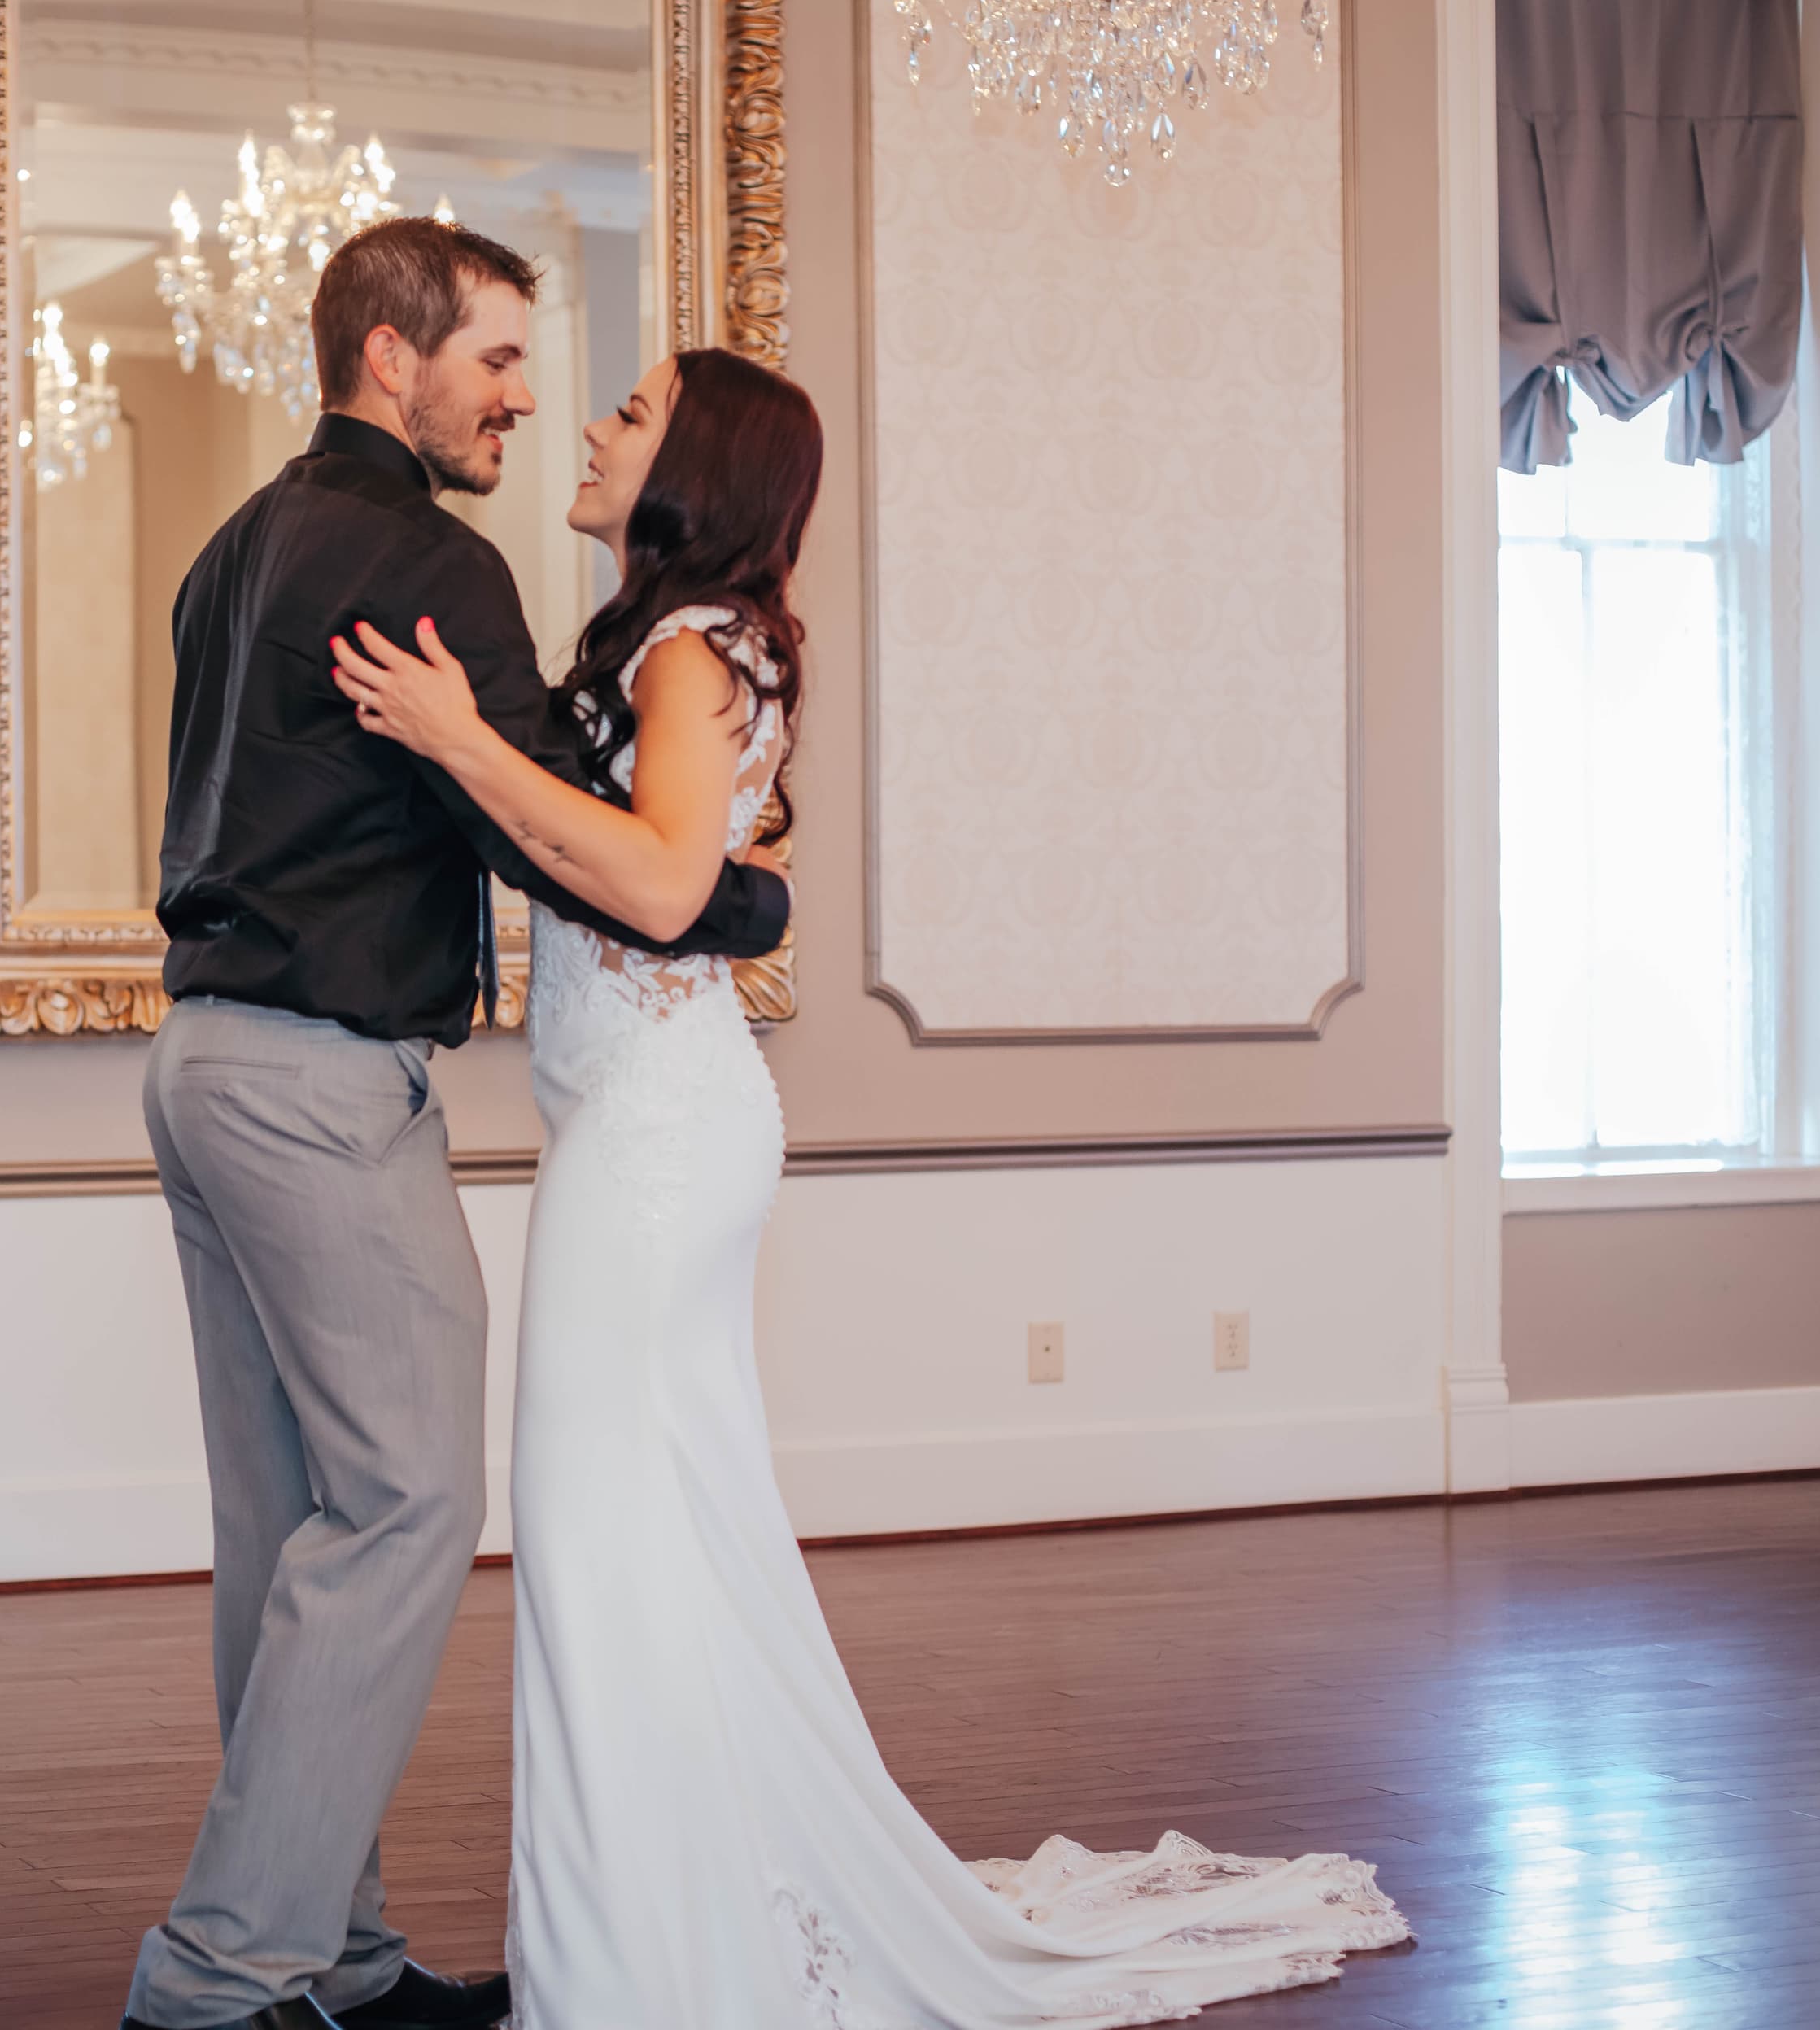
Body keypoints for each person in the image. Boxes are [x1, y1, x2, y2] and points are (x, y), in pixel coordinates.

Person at [330, 347, 1413, 2026]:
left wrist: (463, 741)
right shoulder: (681, 647)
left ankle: (631, 1967)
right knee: (645, 1545)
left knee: (607, 1547)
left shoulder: (697, 651)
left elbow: (661, 878)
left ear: (700, 464)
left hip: (659, 1140)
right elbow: (672, 867)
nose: (598, 425)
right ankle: (646, 1934)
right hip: (646, 1126)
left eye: (632, 410)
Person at [124, 219, 793, 2030]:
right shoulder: (430, 558)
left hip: (200, 1066)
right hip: (323, 1086)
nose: (523, 395)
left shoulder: (228, 551)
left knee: (286, 1525)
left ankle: (325, 1950)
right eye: (496, 357)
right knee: (410, 1496)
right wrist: (743, 903)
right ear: (388, 357)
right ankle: (219, 1978)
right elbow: (552, 839)